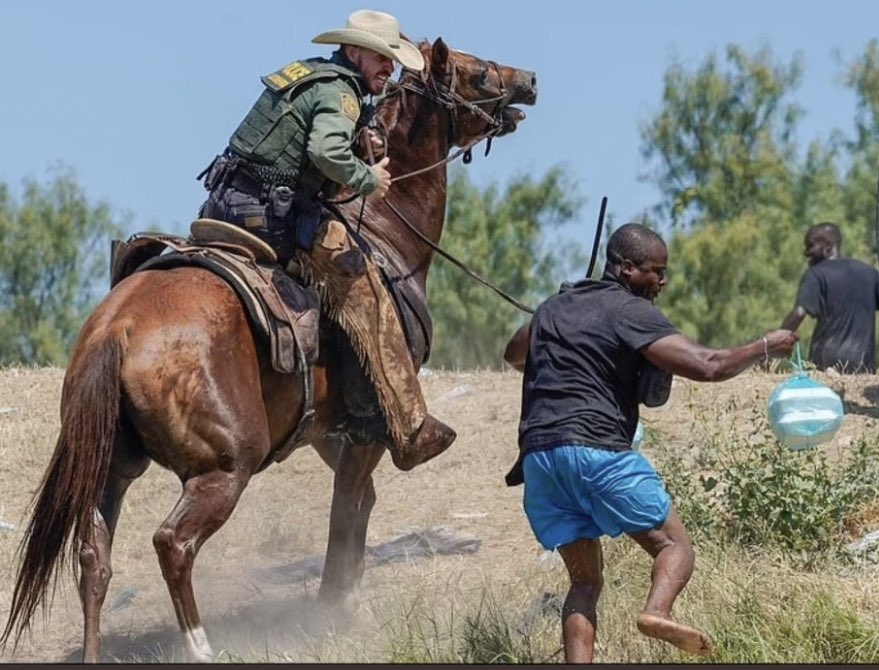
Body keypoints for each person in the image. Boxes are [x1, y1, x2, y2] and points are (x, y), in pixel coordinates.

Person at [503, 223, 798, 663]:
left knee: (584, 584)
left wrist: (559, 306)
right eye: (655, 271)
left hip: (541, 462)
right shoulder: (632, 311)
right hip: (597, 451)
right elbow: (709, 365)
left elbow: (514, 353)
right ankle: (657, 611)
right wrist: (763, 345)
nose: (662, 282)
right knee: (674, 546)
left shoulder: (554, 305)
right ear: (624, 267)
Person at [196, 9, 456, 471]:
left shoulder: (309, 76)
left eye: (392, 61)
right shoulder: (343, 94)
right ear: (353, 51)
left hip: (224, 205)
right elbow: (324, 150)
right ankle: (409, 425)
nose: (389, 69)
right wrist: (367, 177)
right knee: (367, 287)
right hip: (274, 218)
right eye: (381, 58)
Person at [780, 221, 879, 373]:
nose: (806, 253)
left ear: (828, 246)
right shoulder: (869, 273)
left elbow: (799, 312)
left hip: (825, 363)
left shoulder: (816, 274)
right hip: (863, 366)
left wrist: (773, 344)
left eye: (810, 246)